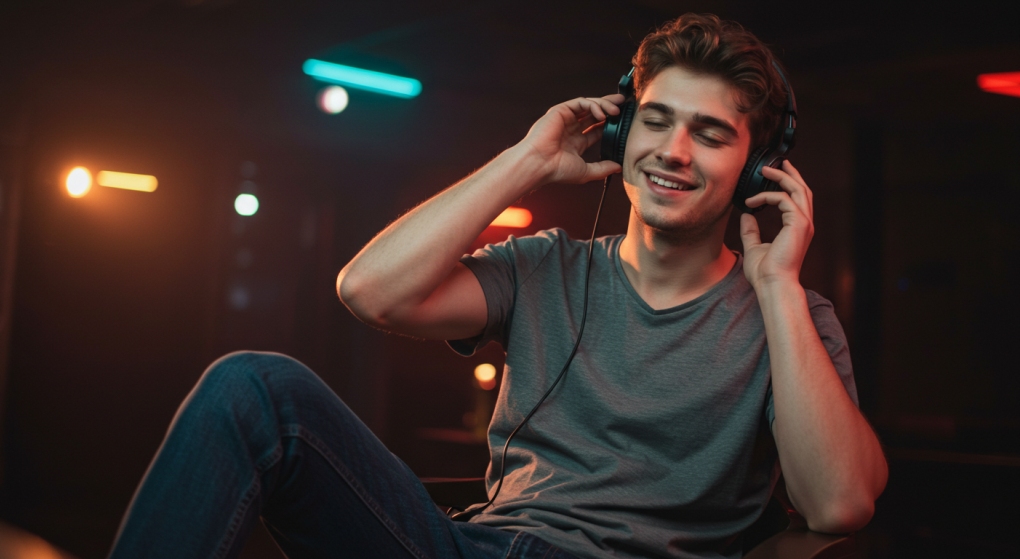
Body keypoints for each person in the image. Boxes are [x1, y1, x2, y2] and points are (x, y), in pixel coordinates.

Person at [108, 13, 887, 559]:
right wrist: (529, 157)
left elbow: (841, 502)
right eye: (654, 120)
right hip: (468, 546)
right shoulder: (545, 264)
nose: (673, 151)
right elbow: (371, 291)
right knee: (253, 385)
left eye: (710, 134)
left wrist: (778, 284)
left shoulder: (791, 318)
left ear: (757, 169)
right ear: (622, 132)